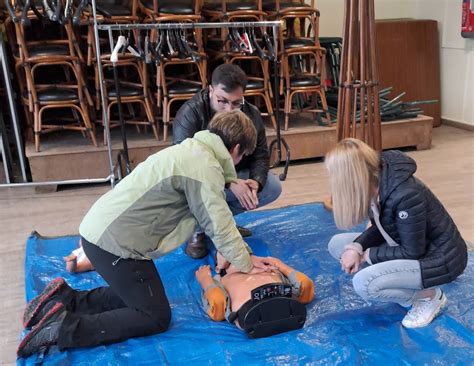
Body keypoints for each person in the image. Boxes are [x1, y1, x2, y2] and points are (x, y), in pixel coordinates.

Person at [17, 110, 275, 358]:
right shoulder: (204, 169)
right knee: (155, 315)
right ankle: (63, 329)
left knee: (137, 296)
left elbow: (218, 197)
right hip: (114, 244)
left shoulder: (193, 150)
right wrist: (246, 261)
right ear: (236, 149)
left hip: (101, 232)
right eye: (241, 157)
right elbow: (219, 225)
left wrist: (231, 182)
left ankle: (64, 298)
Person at [325, 138, 468, 328]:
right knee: (339, 245)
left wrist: (367, 255)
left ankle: (430, 297)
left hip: (440, 259)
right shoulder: (375, 183)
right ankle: (394, 282)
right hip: (406, 244)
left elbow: (412, 251)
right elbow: (381, 226)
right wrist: (356, 247)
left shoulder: (405, 195)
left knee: (364, 284)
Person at [173, 63, 282, 259]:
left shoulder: (251, 114)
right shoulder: (190, 113)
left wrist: (255, 182)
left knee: (272, 186)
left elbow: (261, 155)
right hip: (197, 180)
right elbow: (184, 164)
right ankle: (197, 228)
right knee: (193, 190)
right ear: (210, 90)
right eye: (222, 101)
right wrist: (230, 182)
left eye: (236, 103)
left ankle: (221, 223)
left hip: (234, 176)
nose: (229, 109)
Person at [196, 251, 314, 338]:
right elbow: (217, 303)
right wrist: (206, 279)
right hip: (249, 312)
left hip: (285, 303)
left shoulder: (268, 268)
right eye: (230, 257)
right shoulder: (222, 278)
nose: (239, 258)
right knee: (217, 299)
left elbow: (306, 284)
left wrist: (280, 265)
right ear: (219, 268)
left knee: (304, 285)